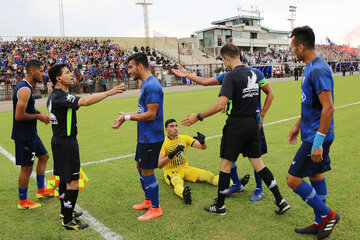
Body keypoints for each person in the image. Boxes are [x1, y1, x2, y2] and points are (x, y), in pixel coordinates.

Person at [181, 43, 290, 215]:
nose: (224, 64)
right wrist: (261, 115)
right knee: (258, 164)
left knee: (225, 164)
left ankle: (220, 206)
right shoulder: (255, 72)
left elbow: (220, 104)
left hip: (236, 126)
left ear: (226, 59)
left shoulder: (231, 76)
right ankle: (280, 200)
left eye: (223, 61)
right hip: (253, 126)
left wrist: (198, 116)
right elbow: (269, 92)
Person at [172, 56, 274, 201]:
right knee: (228, 157)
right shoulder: (228, 75)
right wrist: (187, 75)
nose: (223, 64)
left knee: (256, 159)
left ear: (229, 58)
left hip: (253, 123)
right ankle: (237, 184)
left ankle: (259, 188)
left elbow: (270, 93)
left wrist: (262, 114)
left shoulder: (255, 73)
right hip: (235, 123)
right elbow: (207, 82)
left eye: (223, 61)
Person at [47, 64, 125, 230]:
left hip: (59, 141)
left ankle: (65, 212)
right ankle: (67, 221)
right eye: (67, 73)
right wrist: (109, 92)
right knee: (73, 182)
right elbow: (84, 101)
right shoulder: (60, 96)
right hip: (66, 143)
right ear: (58, 78)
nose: (72, 75)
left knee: (63, 179)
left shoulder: (55, 96)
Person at [287, 26, 339, 239]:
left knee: (293, 179)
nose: (292, 52)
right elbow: (312, 105)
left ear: (301, 46)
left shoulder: (318, 69)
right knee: (315, 174)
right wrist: (298, 125)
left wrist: (318, 141)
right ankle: (319, 223)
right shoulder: (309, 67)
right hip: (310, 132)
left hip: (316, 137)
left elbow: (329, 107)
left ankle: (328, 216)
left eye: (292, 48)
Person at [112, 52, 164, 221]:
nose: (129, 71)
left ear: (140, 66)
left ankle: (156, 208)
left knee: (147, 170)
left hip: (152, 136)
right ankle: (148, 200)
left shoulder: (152, 86)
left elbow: (151, 114)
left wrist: (127, 117)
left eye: (131, 67)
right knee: (140, 167)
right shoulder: (146, 84)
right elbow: (143, 112)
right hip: (144, 136)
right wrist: (126, 115)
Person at [158, 119, 232, 205]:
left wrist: (202, 142)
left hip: (185, 168)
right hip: (171, 171)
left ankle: (232, 184)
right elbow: (160, 165)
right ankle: (184, 194)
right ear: (166, 130)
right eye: (172, 126)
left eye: (176, 125)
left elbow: (203, 147)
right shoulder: (163, 143)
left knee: (207, 175)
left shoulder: (184, 138)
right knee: (177, 181)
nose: (175, 128)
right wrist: (173, 153)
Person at [12, 59, 53, 210]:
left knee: (44, 156)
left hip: (31, 133)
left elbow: (28, 109)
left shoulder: (27, 87)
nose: (44, 74)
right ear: (32, 72)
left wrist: (38, 112)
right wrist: (39, 117)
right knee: (27, 168)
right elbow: (19, 116)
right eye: (41, 71)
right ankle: (22, 201)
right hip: (24, 135)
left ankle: (41, 190)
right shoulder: (25, 89)